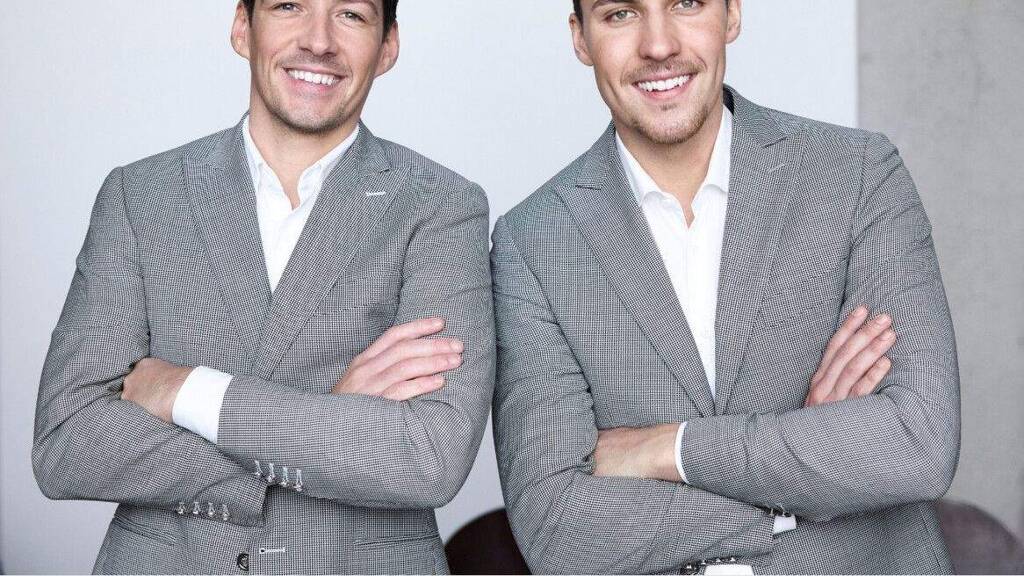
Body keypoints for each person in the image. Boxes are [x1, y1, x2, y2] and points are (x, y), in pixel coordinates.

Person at [491, 0, 960, 573]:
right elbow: (556, 528)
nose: (658, 45)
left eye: (686, 3)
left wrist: (666, 448)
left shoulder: (858, 174)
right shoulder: (532, 240)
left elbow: (918, 443)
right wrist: (808, 467)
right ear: (581, 38)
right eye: (620, 14)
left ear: (731, 14)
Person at [32, 1, 494, 573]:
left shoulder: (442, 205)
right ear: (242, 28)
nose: (318, 41)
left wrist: (188, 392)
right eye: (288, 6)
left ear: (388, 46)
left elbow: (428, 458)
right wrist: (330, 416)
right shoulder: (141, 195)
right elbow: (66, 444)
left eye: (351, 15)